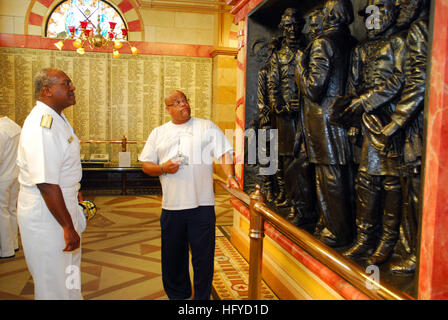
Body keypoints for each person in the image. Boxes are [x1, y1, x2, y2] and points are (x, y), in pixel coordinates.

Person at [139, 90, 240, 300]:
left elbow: (223, 152)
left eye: (184, 100)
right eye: (176, 102)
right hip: (172, 206)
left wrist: (230, 175)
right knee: (173, 258)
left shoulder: (206, 126)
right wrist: (163, 168)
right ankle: (179, 296)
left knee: (203, 258)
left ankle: (201, 299)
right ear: (168, 109)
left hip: (202, 205)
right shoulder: (159, 132)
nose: (183, 104)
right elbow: (146, 165)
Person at [335, 0, 406, 265]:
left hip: (390, 121)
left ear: (390, 14)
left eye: (379, 14)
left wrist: (366, 102)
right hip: (365, 122)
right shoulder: (360, 49)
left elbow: (399, 80)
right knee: (366, 181)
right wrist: (353, 121)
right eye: (369, 16)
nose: (373, 20)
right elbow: (353, 86)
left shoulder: (398, 42)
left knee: (390, 182)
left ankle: (387, 241)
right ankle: (365, 238)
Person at [17, 68, 86, 299]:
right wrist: (68, 227)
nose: (72, 87)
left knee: (70, 271)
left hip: (61, 202)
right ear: (47, 90)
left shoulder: (58, 118)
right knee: (53, 280)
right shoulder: (42, 125)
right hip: (47, 212)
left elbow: (63, 166)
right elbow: (46, 183)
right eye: (66, 84)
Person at [295, 0, 357, 247]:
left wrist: (299, 65)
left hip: (323, 121)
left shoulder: (323, 43)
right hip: (342, 117)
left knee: (329, 175)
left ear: (331, 14)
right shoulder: (350, 41)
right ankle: (330, 223)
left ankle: (336, 231)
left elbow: (313, 88)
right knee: (341, 176)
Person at [0, 116, 21, 258]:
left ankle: (6, 249)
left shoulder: (1, 131)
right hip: (15, 174)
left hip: (3, 176)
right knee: (12, 209)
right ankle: (14, 244)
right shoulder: (14, 126)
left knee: (2, 213)